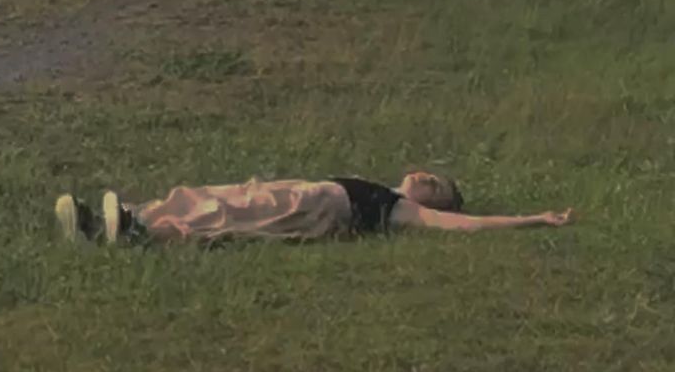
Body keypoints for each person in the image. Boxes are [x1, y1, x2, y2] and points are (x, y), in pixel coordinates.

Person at [54, 171, 574, 245]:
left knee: (235, 215)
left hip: (313, 206)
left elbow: (469, 225)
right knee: (218, 197)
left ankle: (140, 230)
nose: (422, 176)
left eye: (433, 184)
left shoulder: (395, 210)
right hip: (304, 190)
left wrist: (535, 219)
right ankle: (115, 220)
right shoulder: (385, 191)